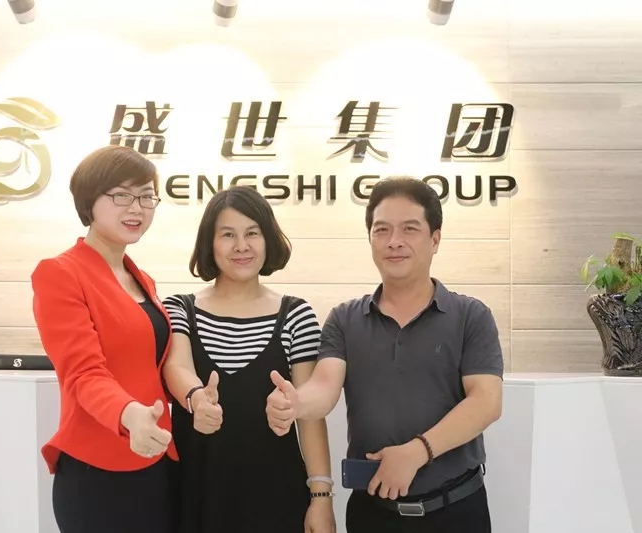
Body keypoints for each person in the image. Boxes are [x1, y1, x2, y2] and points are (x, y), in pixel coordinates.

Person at [265, 177, 503, 533]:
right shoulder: (345, 319)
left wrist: (417, 452)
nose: (394, 241)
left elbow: (486, 401)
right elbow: (324, 386)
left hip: (456, 510)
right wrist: (296, 403)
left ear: (435, 239)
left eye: (410, 229)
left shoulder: (471, 315)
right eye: (382, 230)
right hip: (373, 514)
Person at [161, 186, 336, 533]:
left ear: (268, 239)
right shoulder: (180, 308)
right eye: (228, 235)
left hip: (276, 497)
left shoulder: (296, 314)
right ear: (210, 243)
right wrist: (196, 399)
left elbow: (309, 416)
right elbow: (176, 366)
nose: (241, 246)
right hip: (195, 495)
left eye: (252, 233)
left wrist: (321, 499)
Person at [30, 145, 177, 533]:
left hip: (154, 459)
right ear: (89, 202)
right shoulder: (60, 273)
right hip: (97, 468)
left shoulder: (141, 279)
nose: (137, 208)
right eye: (122, 195)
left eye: (146, 196)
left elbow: (149, 365)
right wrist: (130, 414)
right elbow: (82, 373)